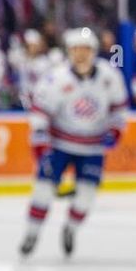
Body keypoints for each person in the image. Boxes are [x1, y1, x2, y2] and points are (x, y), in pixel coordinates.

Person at [19, 28, 128, 258]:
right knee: (43, 192)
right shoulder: (56, 78)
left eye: (86, 49)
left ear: (94, 51)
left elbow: (119, 109)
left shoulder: (110, 77)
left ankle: (70, 228)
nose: (81, 54)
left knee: (86, 196)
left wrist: (116, 130)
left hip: (92, 147)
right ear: (69, 51)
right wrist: (40, 142)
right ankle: (32, 233)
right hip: (59, 144)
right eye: (76, 49)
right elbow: (40, 113)